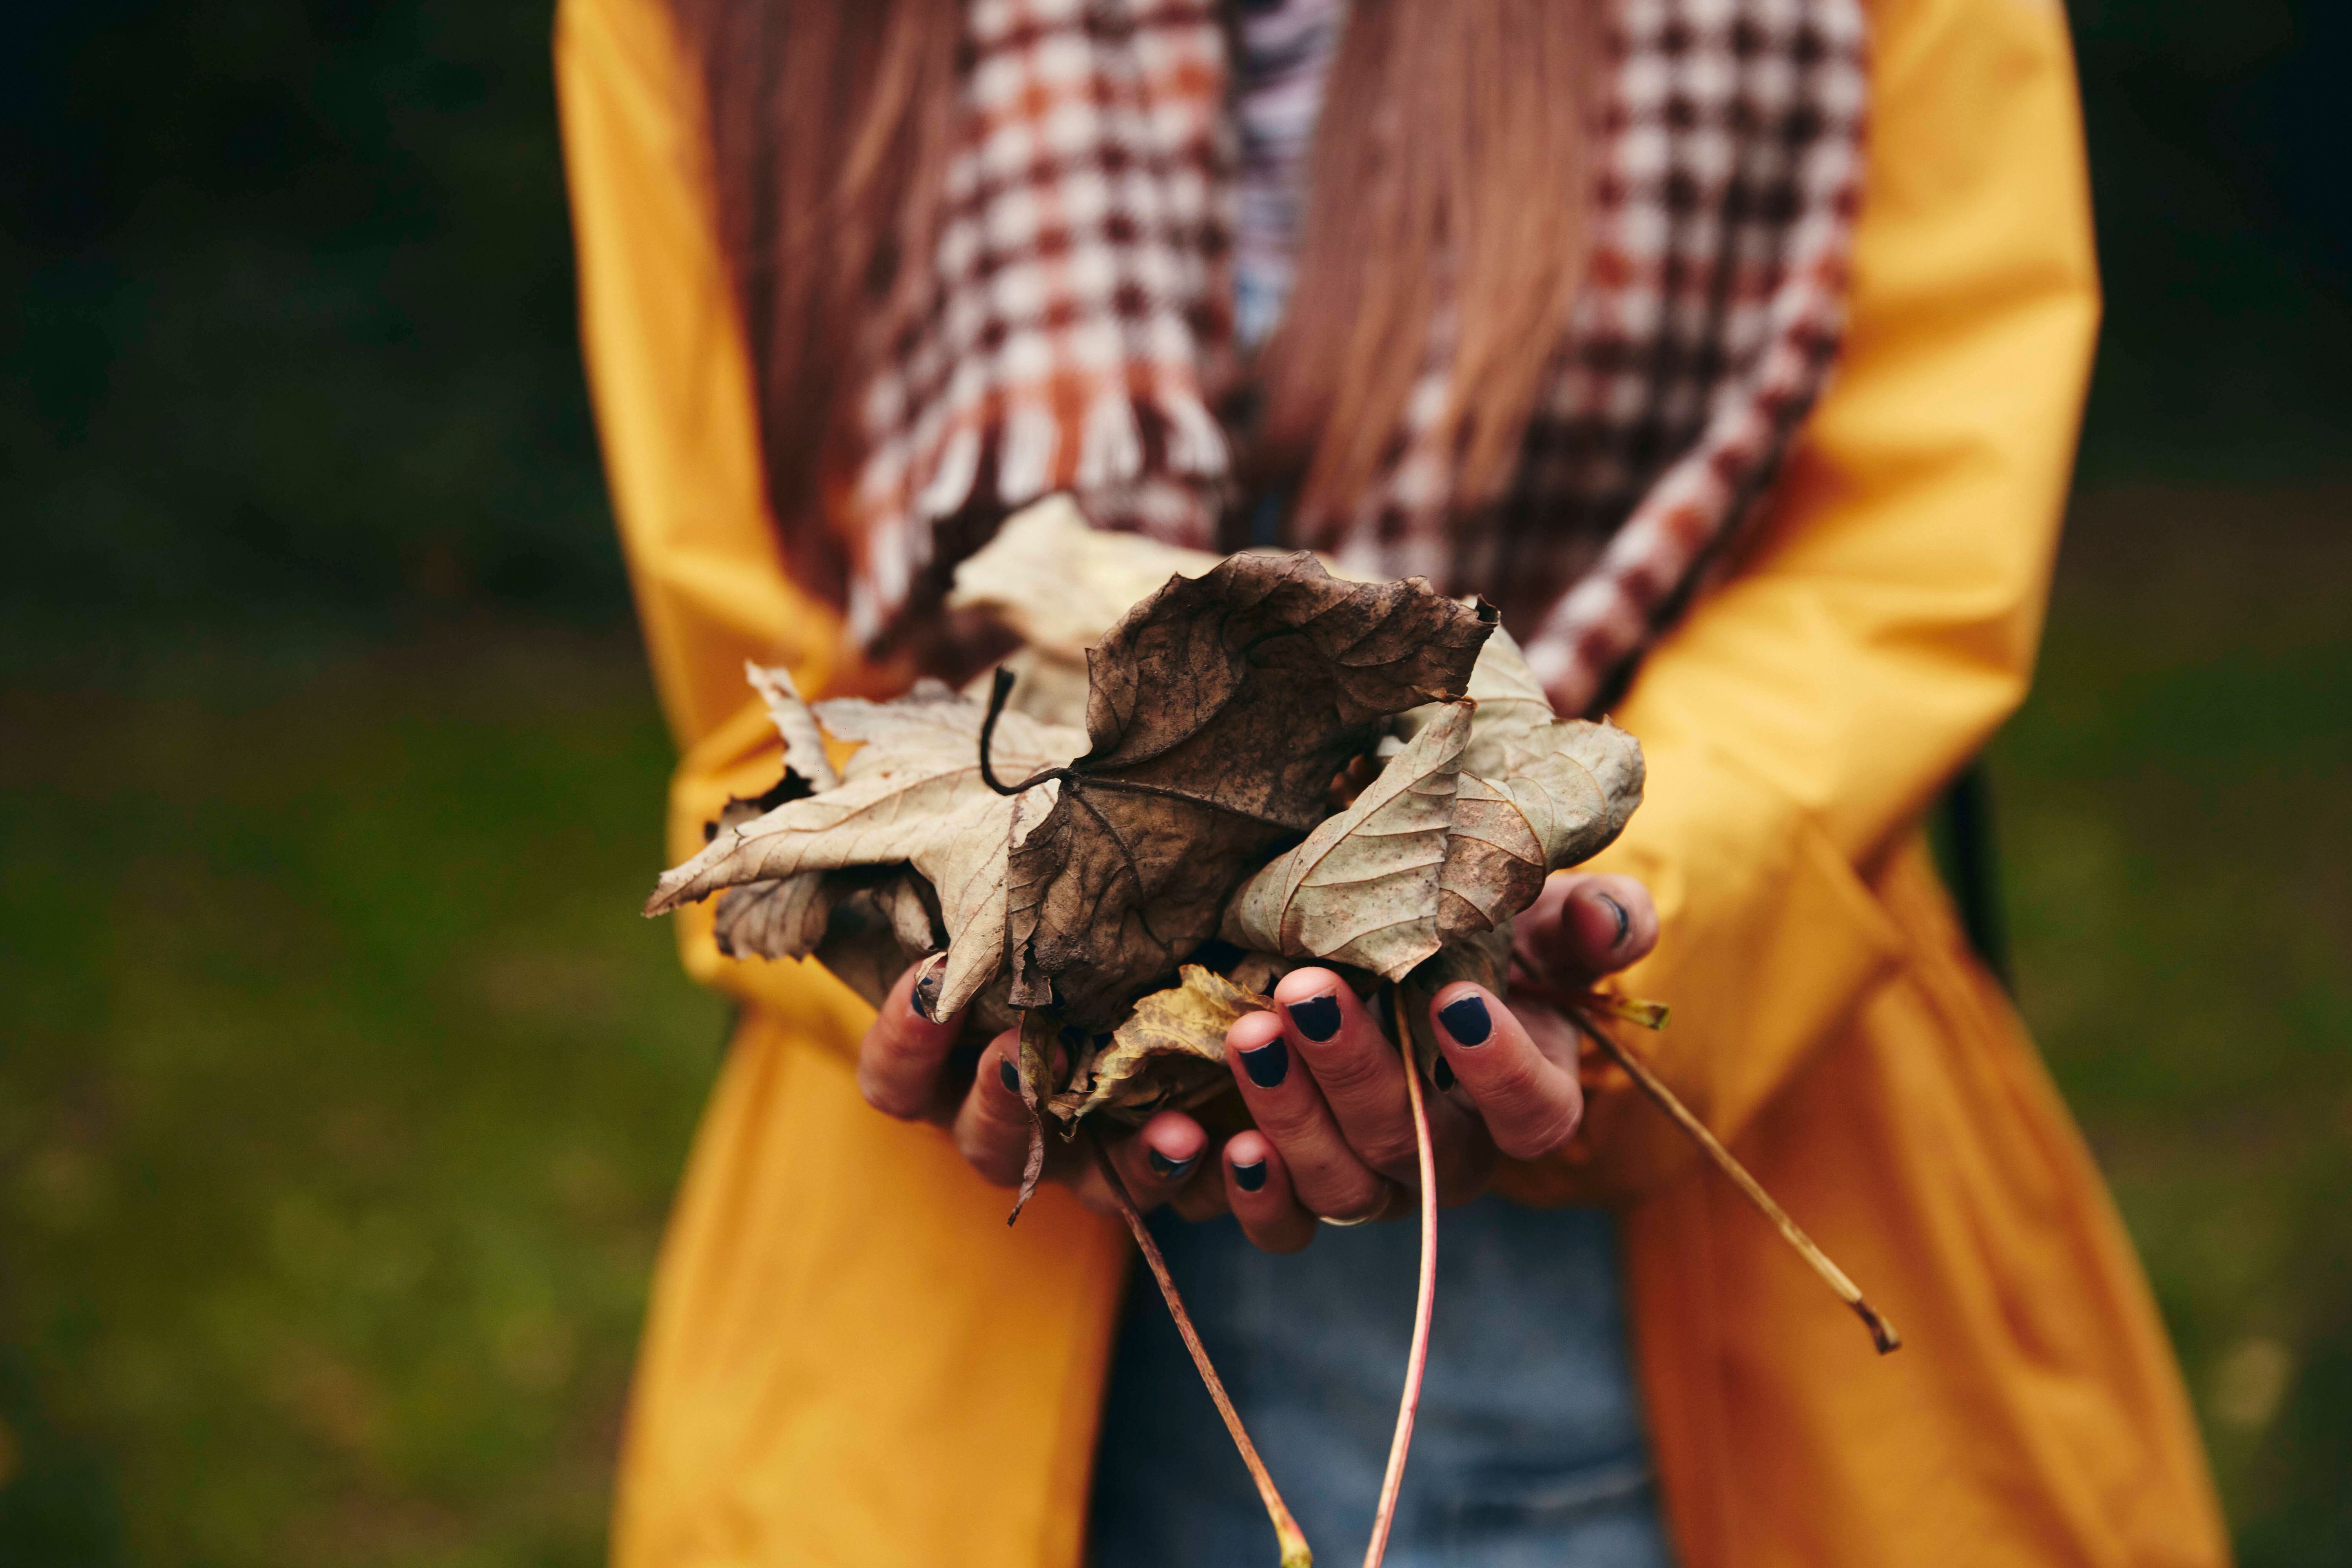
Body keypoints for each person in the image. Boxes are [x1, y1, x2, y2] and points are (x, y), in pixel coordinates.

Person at [557, 0, 2231, 1564]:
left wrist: (1581, 921)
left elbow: (1900, 569)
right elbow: (766, 699)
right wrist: (956, 967)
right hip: (930, 1372)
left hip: (1715, 1299)